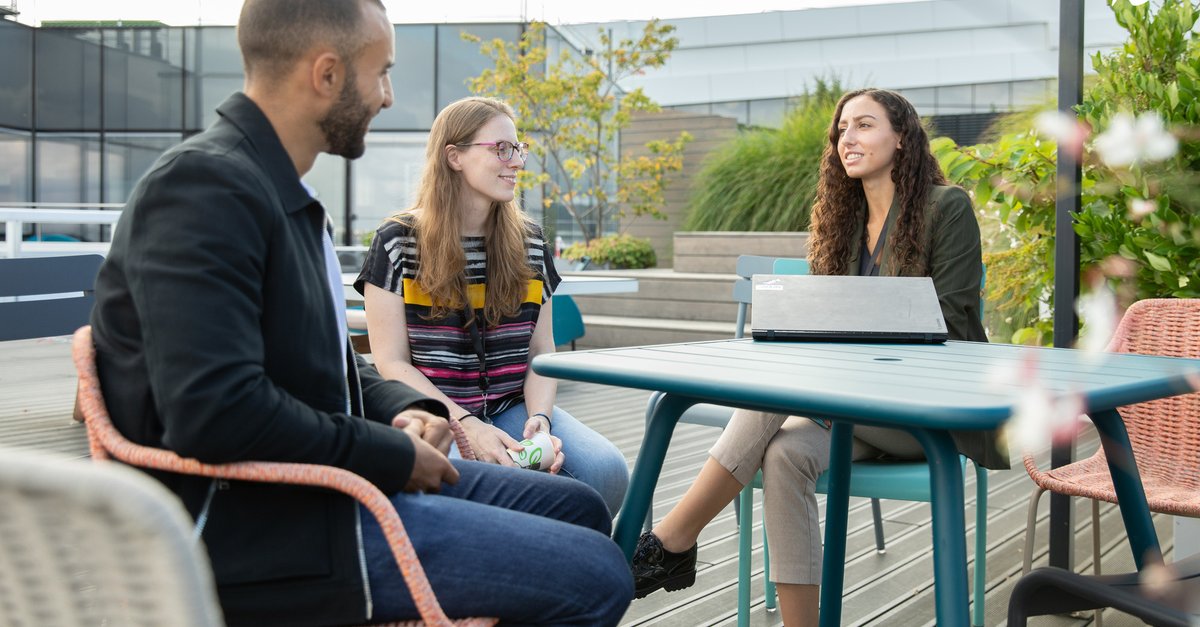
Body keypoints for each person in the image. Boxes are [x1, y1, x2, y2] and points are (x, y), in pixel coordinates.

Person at [88, 1, 632, 625]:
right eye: (380, 73)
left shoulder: (276, 192)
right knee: (598, 575)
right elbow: (214, 412)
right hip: (277, 530)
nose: (389, 96)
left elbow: (332, 367)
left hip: (327, 487)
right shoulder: (204, 191)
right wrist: (391, 456)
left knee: (582, 510)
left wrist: (407, 409)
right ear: (325, 74)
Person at [629, 88, 1009, 625]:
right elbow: (822, 324)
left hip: (926, 410)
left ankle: (671, 541)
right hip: (855, 408)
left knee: (770, 400)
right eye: (842, 129)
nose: (847, 138)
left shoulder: (947, 208)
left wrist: (839, 347)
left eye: (864, 125)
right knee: (784, 454)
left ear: (902, 138)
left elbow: (946, 321)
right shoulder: (843, 222)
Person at [356, 96, 630, 515]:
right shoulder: (397, 241)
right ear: (454, 157)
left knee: (607, 471)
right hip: (433, 414)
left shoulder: (532, 242)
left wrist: (541, 420)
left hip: (512, 409)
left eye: (518, 149)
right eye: (502, 148)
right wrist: (465, 425)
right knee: (482, 496)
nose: (517, 161)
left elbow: (541, 352)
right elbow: (392, 363)